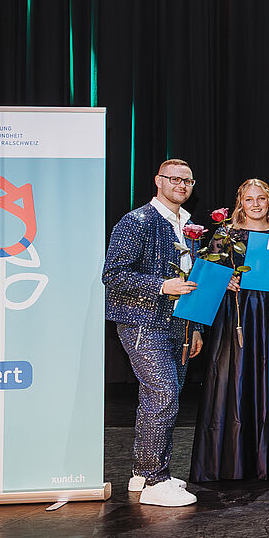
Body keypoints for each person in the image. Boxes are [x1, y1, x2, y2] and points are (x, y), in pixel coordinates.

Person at [190, 179, 269, 482]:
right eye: (249, 199)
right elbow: (204, 277)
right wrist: (225, 281)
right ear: (240, 203)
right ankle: (233, 460)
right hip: (237, 315)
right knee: (235, 380)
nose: (255, 204)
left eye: (261, 198)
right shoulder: (226, 235)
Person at [102, 158, 205, 507]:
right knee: (163, 394)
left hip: (179, 323)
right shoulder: (137, 222)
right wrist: (162, 285)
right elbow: (113, 275)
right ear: (158, 180)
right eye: (174, 179)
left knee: (161, 397)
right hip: (142, 321)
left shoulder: (188, 226)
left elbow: (192, 283)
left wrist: (194, 328)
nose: (181, 185)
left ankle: (142, 472)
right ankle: (154, 480)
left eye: (187, 181)